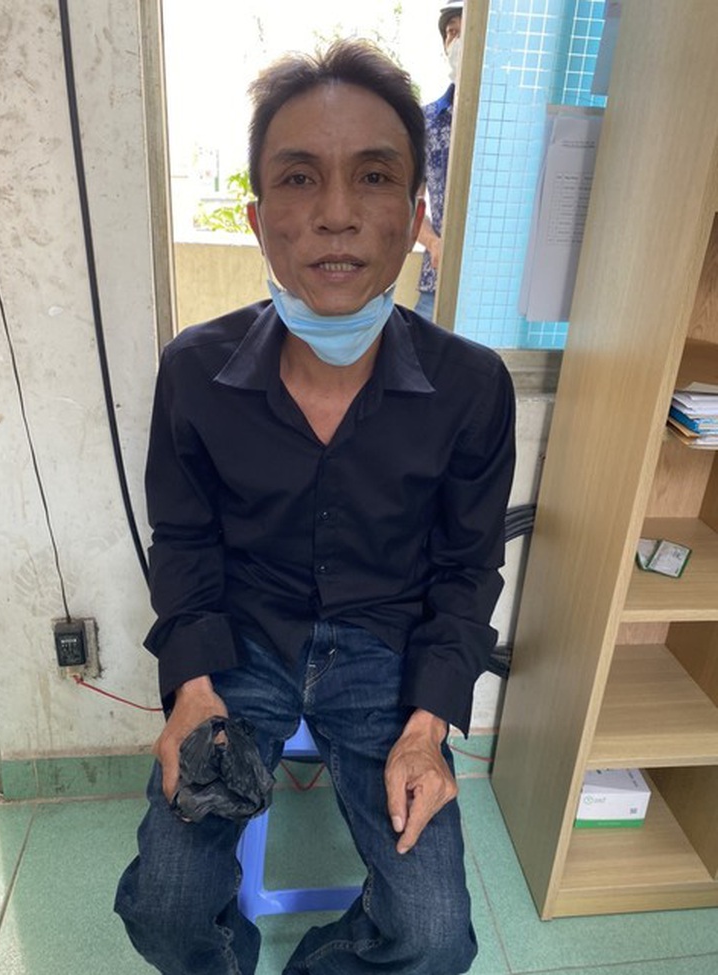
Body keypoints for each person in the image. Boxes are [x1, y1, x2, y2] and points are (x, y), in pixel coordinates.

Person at [115, 38, 515, 975]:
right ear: (259, 219)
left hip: (386, 656)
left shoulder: (470, 387)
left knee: (434, 937)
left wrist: (428, 725)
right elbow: (183, 539)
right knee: (166, 908)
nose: (337, 213)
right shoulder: (196, 371)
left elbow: (467, 570)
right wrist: (193, 688)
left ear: (414, 216)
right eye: (300, 177)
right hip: (242, 643)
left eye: (374, 175)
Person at [415, 1, 464, 321]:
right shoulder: (427, 121)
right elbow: (409, 201)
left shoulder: (516, 115)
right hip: (438, 280)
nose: (457, 41)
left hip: (500, 287)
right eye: (451, 32)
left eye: (466, 32)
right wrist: (434, 243)